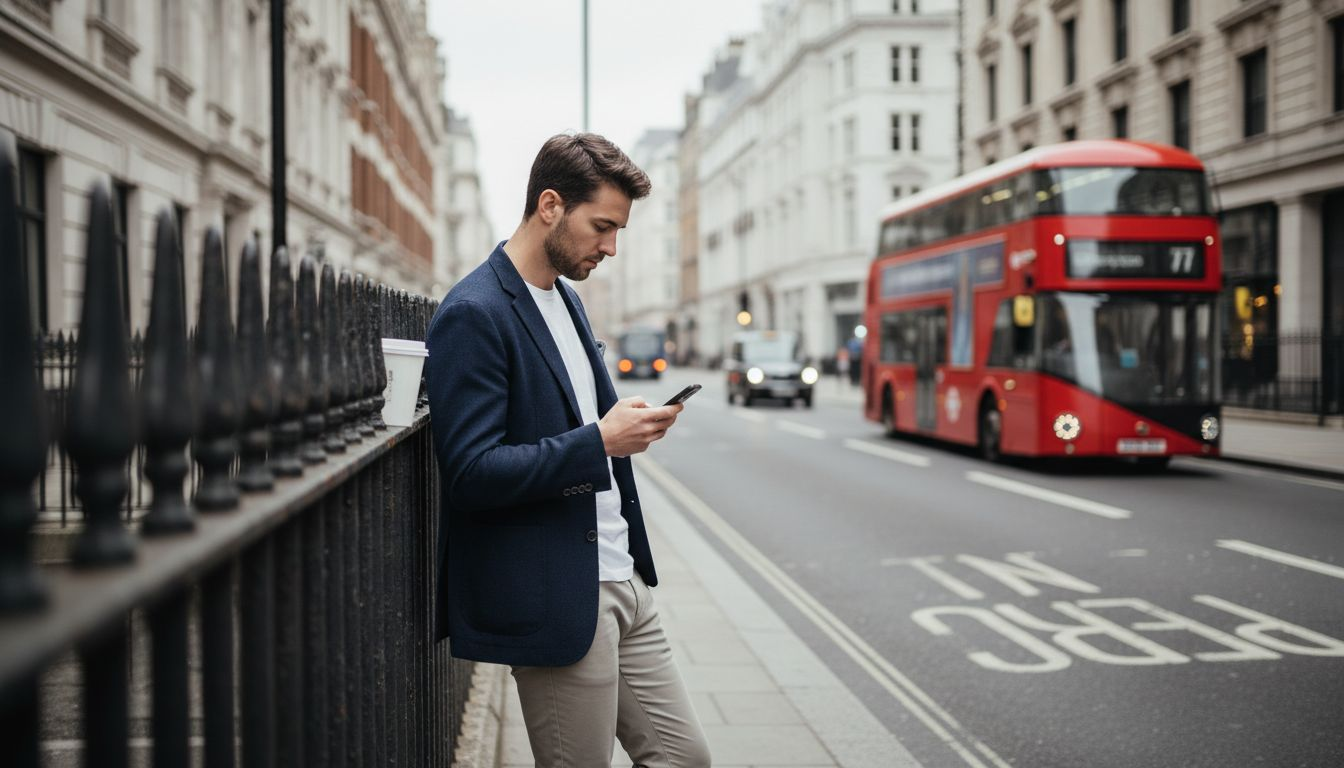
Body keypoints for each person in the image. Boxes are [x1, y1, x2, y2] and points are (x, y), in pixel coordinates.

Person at [424, 133, 711, 768]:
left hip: (621, 576)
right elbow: (470, 473)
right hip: (558, 593)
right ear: (550, 205)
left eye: (618, 231)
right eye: (602, 227)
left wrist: (620, 426)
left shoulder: (567, 299)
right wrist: (598, 441)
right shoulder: (474, 312)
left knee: (686, 758)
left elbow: (575, 420)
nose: (611, 248)